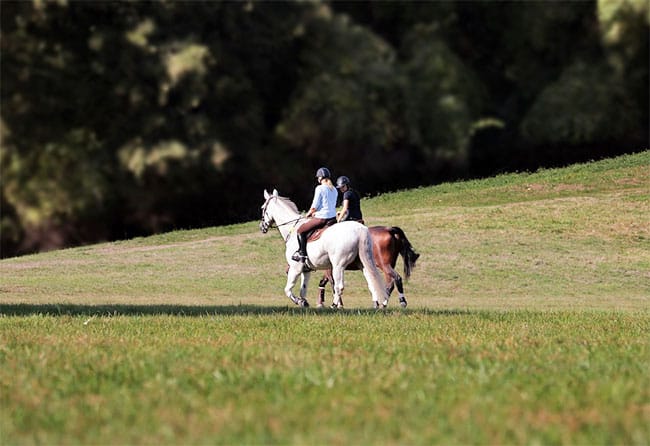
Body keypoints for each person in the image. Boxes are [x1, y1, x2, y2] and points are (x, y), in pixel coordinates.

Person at [292, 167, 338, 262]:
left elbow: (315, 205)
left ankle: (303, 255)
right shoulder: (334, 189)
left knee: (300, 230)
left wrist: (309, 213)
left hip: (322, 219)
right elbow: (329, 205)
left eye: (318, 177)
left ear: (321, 177)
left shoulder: (320, 188)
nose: (317, 179)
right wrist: (316, 213)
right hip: (333, 219)